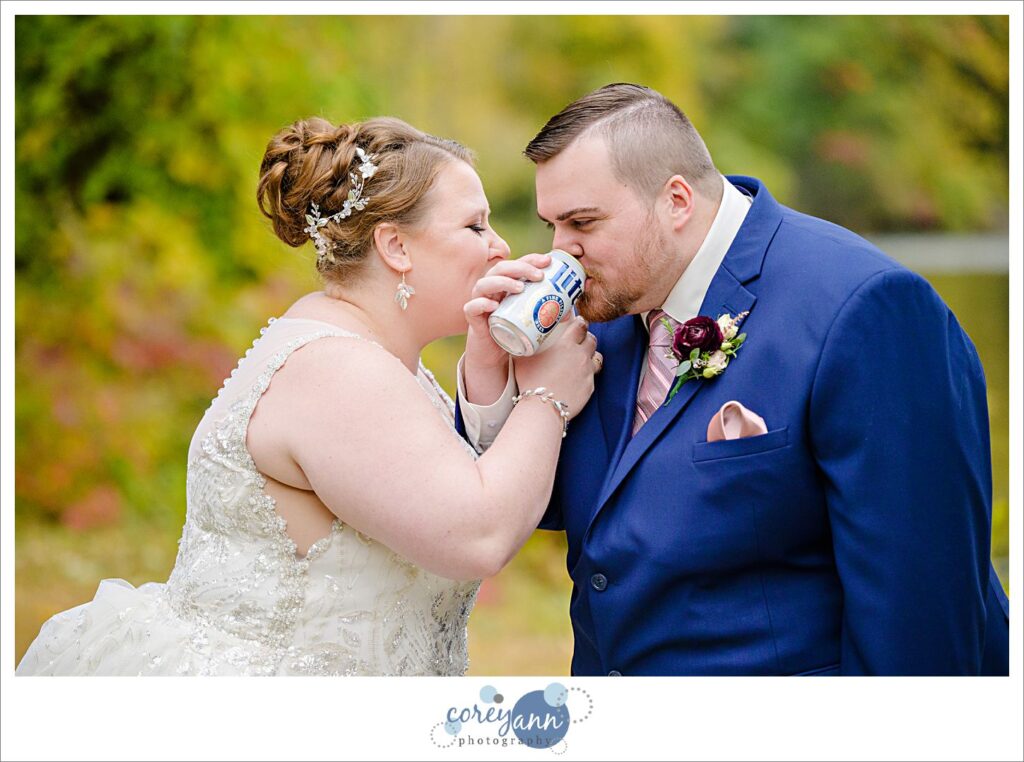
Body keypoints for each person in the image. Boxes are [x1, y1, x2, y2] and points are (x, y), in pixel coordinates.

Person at [458, 83, 1010, 676]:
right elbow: (559, 507)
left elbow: (920, 609)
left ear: (675, 201)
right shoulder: (603, 315)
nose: (560, 253)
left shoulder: (867, 308)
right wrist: (493, 376)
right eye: (551, 227)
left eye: (582, 223)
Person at [16, 116, 600, 676]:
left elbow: (470, 486)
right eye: (475, 227)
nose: (499, 247)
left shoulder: (374, 359)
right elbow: (477, 534)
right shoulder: (336, 371)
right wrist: (546, 397)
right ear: (395, 246)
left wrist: (489, 363)